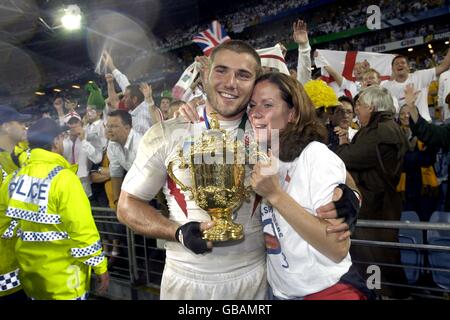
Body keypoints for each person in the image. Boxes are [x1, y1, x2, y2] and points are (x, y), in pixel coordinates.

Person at [117, 40, 359, 300]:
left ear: (255, 81)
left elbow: (335, 171)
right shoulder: (168, 133)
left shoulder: (268, 131)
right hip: (186, 280)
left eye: (243, 75)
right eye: (221, 70)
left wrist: (352, 198)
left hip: (256, 281)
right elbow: (127, 204)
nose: (231, 83)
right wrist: (175, 232)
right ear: (206, 73)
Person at [248, 72, 368, 300]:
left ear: (292, 113)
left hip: (327, 291)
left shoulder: (316, 155)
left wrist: (276, 195)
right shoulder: (263, 156)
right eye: (252, 105)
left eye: (267, 104)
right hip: (279, 292)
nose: (256, 112)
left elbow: (337, 247)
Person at [0, 118, 109, 300]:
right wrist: (100, 267)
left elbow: (3, 225)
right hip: (66, 281)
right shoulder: (64, 179)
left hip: (30, 278)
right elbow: (82, 231)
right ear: (56, 141)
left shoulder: (13, 179)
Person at [334, 85, 410, 298]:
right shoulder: (384, 127)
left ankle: (382, 295)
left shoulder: (380, 130)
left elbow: (346, 158)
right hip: (379, 204)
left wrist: (342, 144)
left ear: (373, 107)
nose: (356, 109)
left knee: (375, 259)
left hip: (375, 207)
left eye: (360, 105)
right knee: (380, 257)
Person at [0, 105, 31, 300]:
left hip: (27, 263)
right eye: (20, 123)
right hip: (6, 267)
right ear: (5, 127)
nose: (25, 126)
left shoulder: (22, 156)